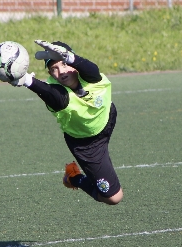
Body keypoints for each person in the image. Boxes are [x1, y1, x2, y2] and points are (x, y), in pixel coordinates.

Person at [10, 40, 123, 205]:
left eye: (63, 64)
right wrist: (27, 80)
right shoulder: (55, 92)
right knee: (114, 198)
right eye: (53, 69)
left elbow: (91, 69)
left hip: (107, 118)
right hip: (87, 143)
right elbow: (54, 95)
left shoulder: (90, 75)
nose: (61, 71)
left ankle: (97, 170)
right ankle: (74, 178)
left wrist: (70, 57)